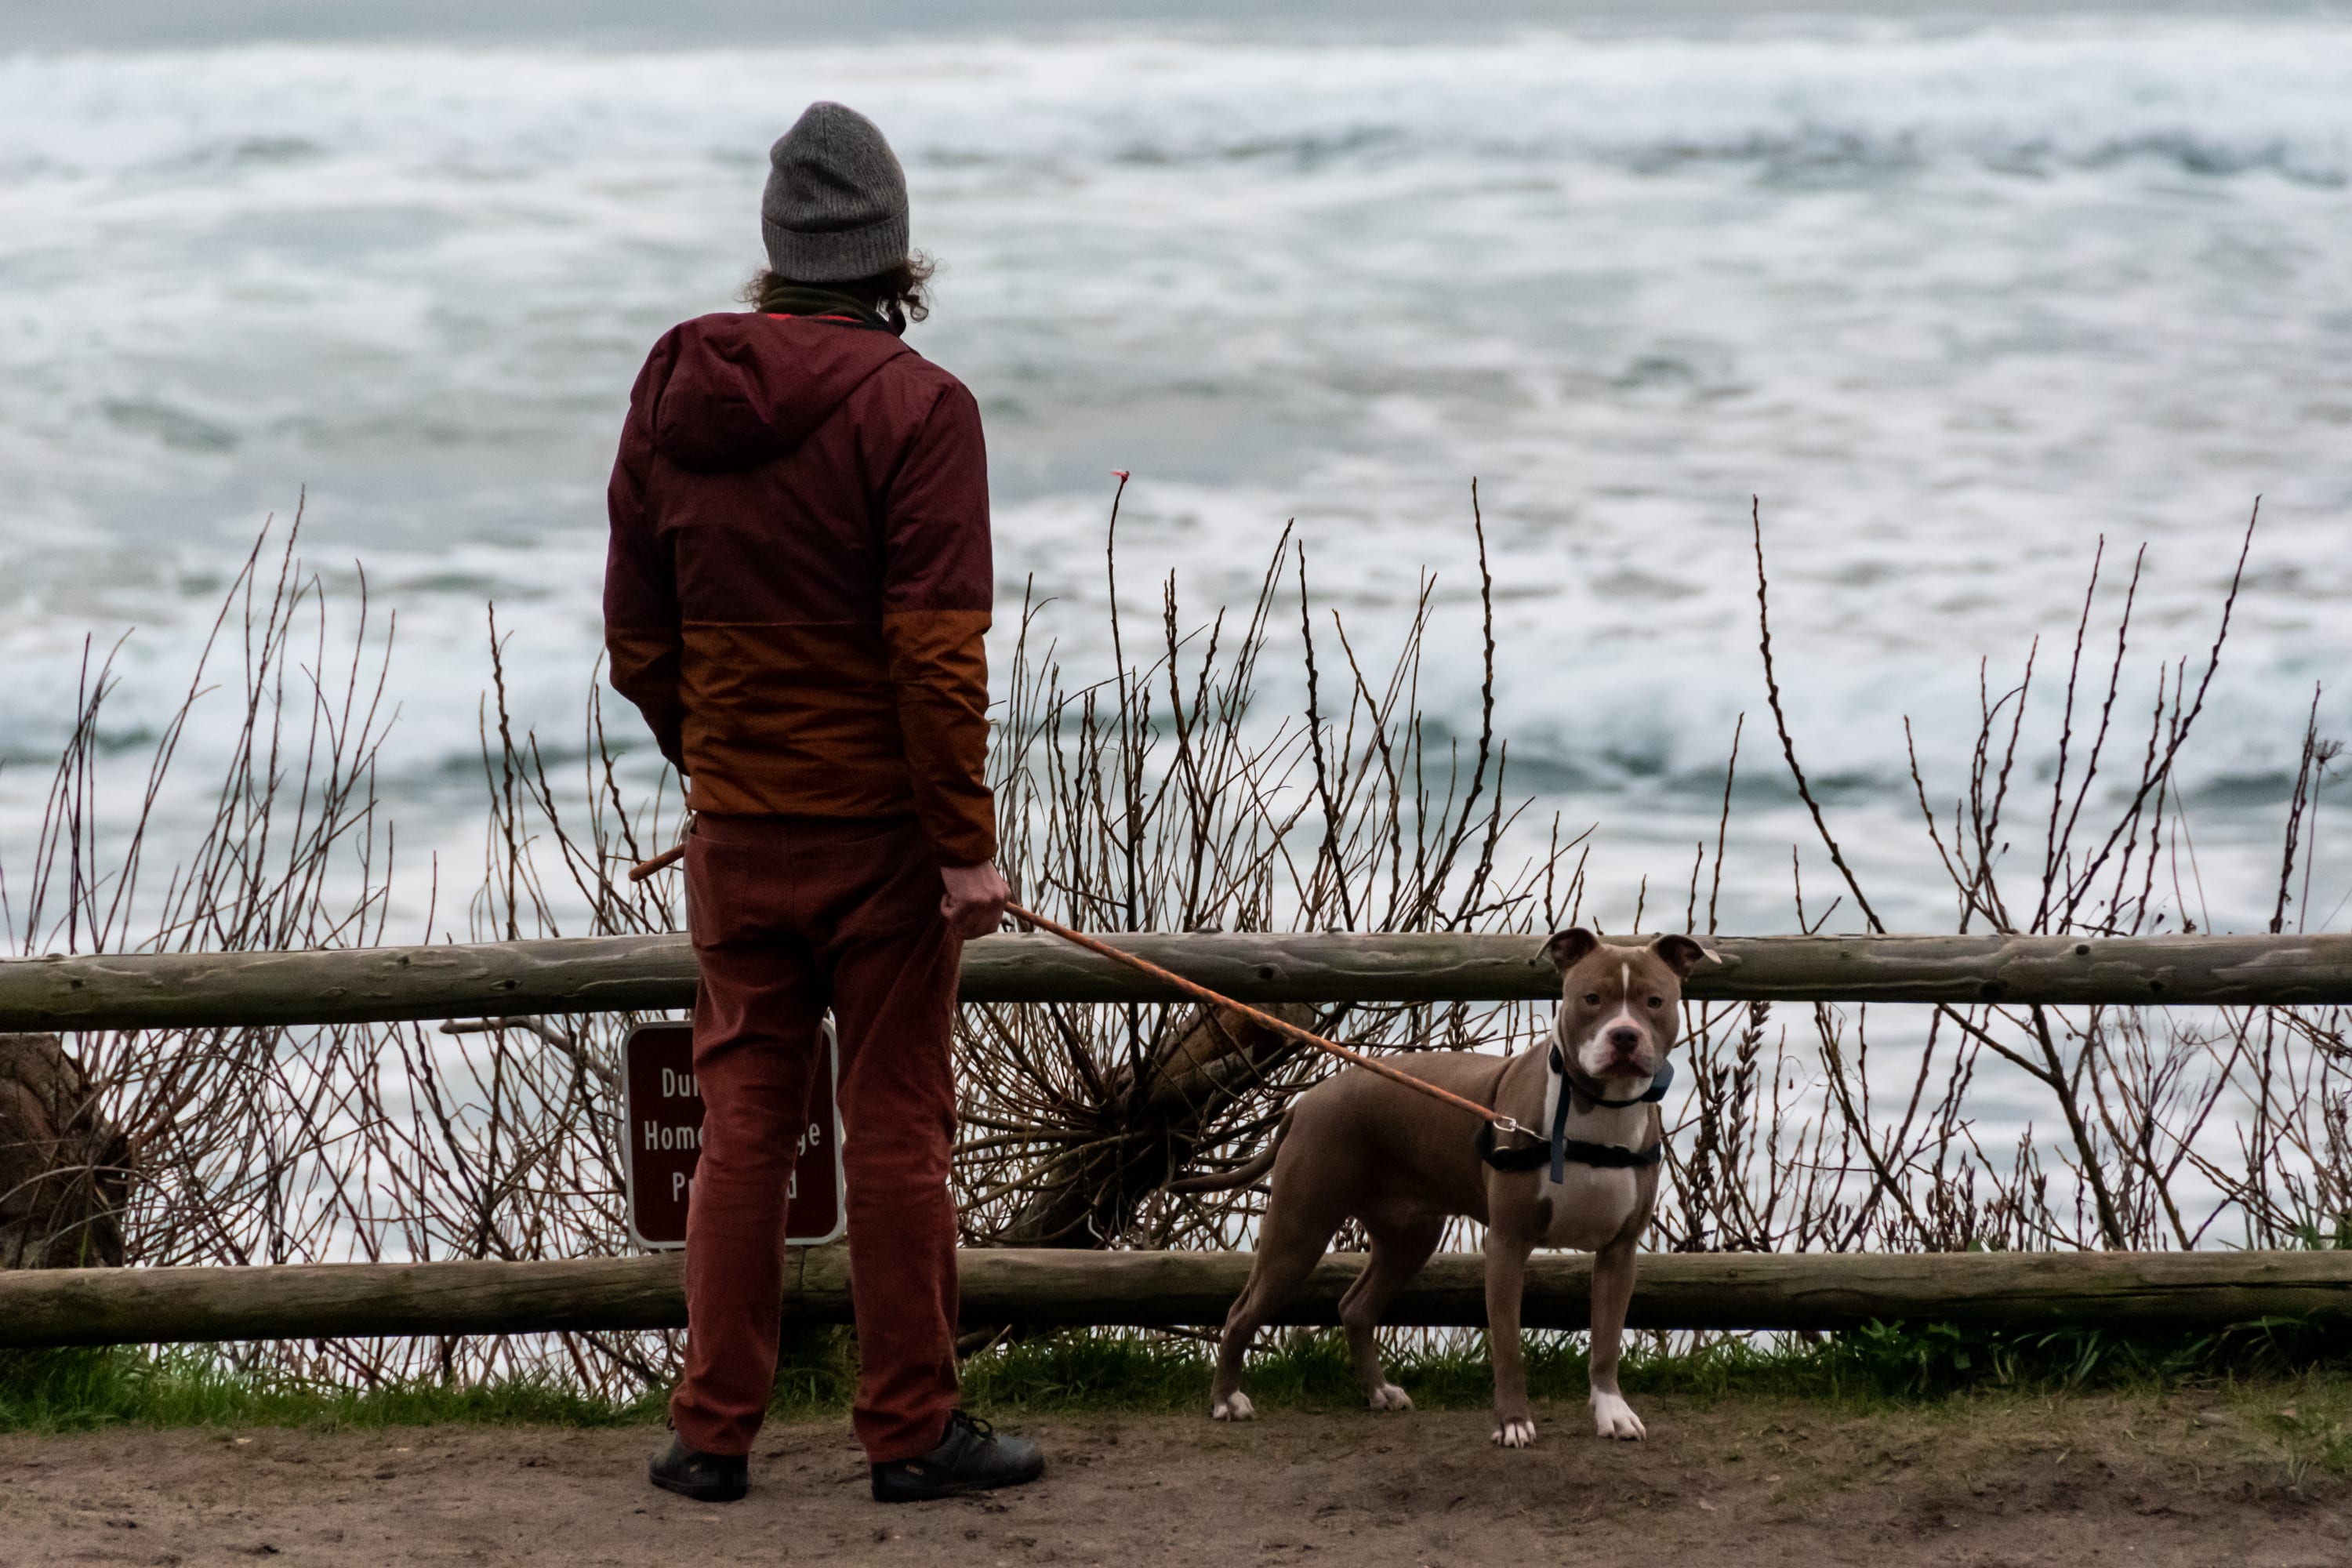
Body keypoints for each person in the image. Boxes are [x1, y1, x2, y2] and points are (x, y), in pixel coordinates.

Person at [602, 100, 1041, 1506]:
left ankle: (711, 1435)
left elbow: (637, 643)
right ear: (894, 257)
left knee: (743, 1124)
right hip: (884, 849)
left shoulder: (671, 391)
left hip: (737, 836)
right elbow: (935, 654)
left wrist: (720, 765)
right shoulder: (923, 408)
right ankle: (910, 1430)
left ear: (778, 251)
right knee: (898, 1121)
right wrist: (963, 847)